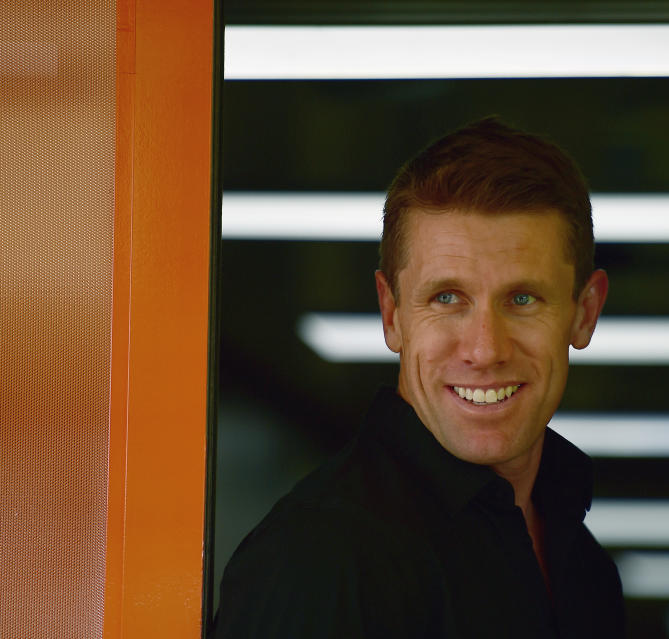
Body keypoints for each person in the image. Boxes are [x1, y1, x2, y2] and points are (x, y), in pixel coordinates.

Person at [212, 117, 624, 638]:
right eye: (447, 298)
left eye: (522, 300)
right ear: (392, 315)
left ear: (584, 313)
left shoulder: (585, 570)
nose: (485, 349)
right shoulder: (322, 558)